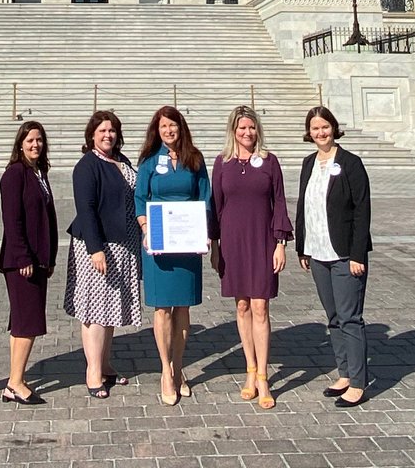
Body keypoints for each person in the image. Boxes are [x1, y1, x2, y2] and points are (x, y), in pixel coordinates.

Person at [211, 105, 292, 409]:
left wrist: (281, 242)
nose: (247, 133)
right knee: (242, 304)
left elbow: (280, 200)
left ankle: (263, 376)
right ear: (233, 131)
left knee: (261, 306)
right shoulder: (223, 163)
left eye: (252, 128)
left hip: (262, 239)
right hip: (232, 241)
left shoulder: (269, 162)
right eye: (242, 128)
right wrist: (215, 245)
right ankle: (249, 369)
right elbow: (215, 205)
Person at [295, 105, 372, 409]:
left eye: (324, 127)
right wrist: (302, 246)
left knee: (350, 317)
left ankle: (358, 382)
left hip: (344, 254)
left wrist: (357, 254)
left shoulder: (351, 163)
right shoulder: (308, 163)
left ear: (333, 128)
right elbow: (304, 205)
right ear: (309, 132)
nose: (320, 133)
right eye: (314, 128)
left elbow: (362, 210)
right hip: (317, 252)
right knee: (334, 318)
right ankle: (344, 373)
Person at [135, 106, 211, 406]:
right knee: (162, 309)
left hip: (187, 242)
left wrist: (203, 230)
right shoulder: (149, 162)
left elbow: (205, 197)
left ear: (181, 127)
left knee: (183, 308)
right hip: (159, 243)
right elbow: (140, 198)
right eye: (163, 126)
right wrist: (145, 228)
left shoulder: (195, 160)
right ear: (157, 130)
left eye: (173, 125)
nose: (169, 130)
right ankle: (165, 370)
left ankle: (179, 367)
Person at [64, 111, 142, 399]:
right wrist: (96, 249)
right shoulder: (87, 165)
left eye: (112, 130)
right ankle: (93, 371)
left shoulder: (122, 161)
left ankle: (106, 364)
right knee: (95, 310)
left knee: (110, 308)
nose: (107, 135)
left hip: (124, 244)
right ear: (91, 136)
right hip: (100, 246)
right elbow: (86, 209)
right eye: (102, 131)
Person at [0, 121, 57, 405]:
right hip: (21, 262)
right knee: (27, 323)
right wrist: (23, 257)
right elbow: (12, 220)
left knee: (23, 321)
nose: (35, 145)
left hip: (37, 260)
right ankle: (15, 382)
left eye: (39, 140)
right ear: (20, 143)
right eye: (30, 140)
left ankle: (15, 378)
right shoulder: (15, 174)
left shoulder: (38, 173)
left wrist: (49, 257)